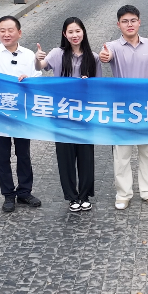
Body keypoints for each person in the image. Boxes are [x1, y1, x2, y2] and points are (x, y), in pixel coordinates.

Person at [0, 15, 42, 213]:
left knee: (23, 154)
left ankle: (25, 192)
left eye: (10, 30)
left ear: (19, 33)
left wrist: (29, 79)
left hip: (21, 113)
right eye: (2, 30)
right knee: (2, 156)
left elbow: (38, 78)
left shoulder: (28, 55)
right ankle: (8, 195)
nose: (6, 34)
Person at [99, 5, 148, 210]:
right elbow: (105, 56)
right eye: (125, 21)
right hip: (122, 109)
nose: (130, 24)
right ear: (118, 24)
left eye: (133, 20)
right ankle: (123, 194)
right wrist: (104, 56)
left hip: (147, 108)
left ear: (139, 22)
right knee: (122, 155)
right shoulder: (113, 46)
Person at [35, 17, 100, 213]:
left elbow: (98, 86)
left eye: (78, 31)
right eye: (70, 32)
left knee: (86, 156)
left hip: (85, 116)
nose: (74, 35)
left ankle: (85, 195)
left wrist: (88, 84)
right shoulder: (57, 54)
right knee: (66, 158)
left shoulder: (93, 57)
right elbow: (40, 66)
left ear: (83, 32)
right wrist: (37, 59)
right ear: (65, 34)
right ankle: (72, 197)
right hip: (62, 115)